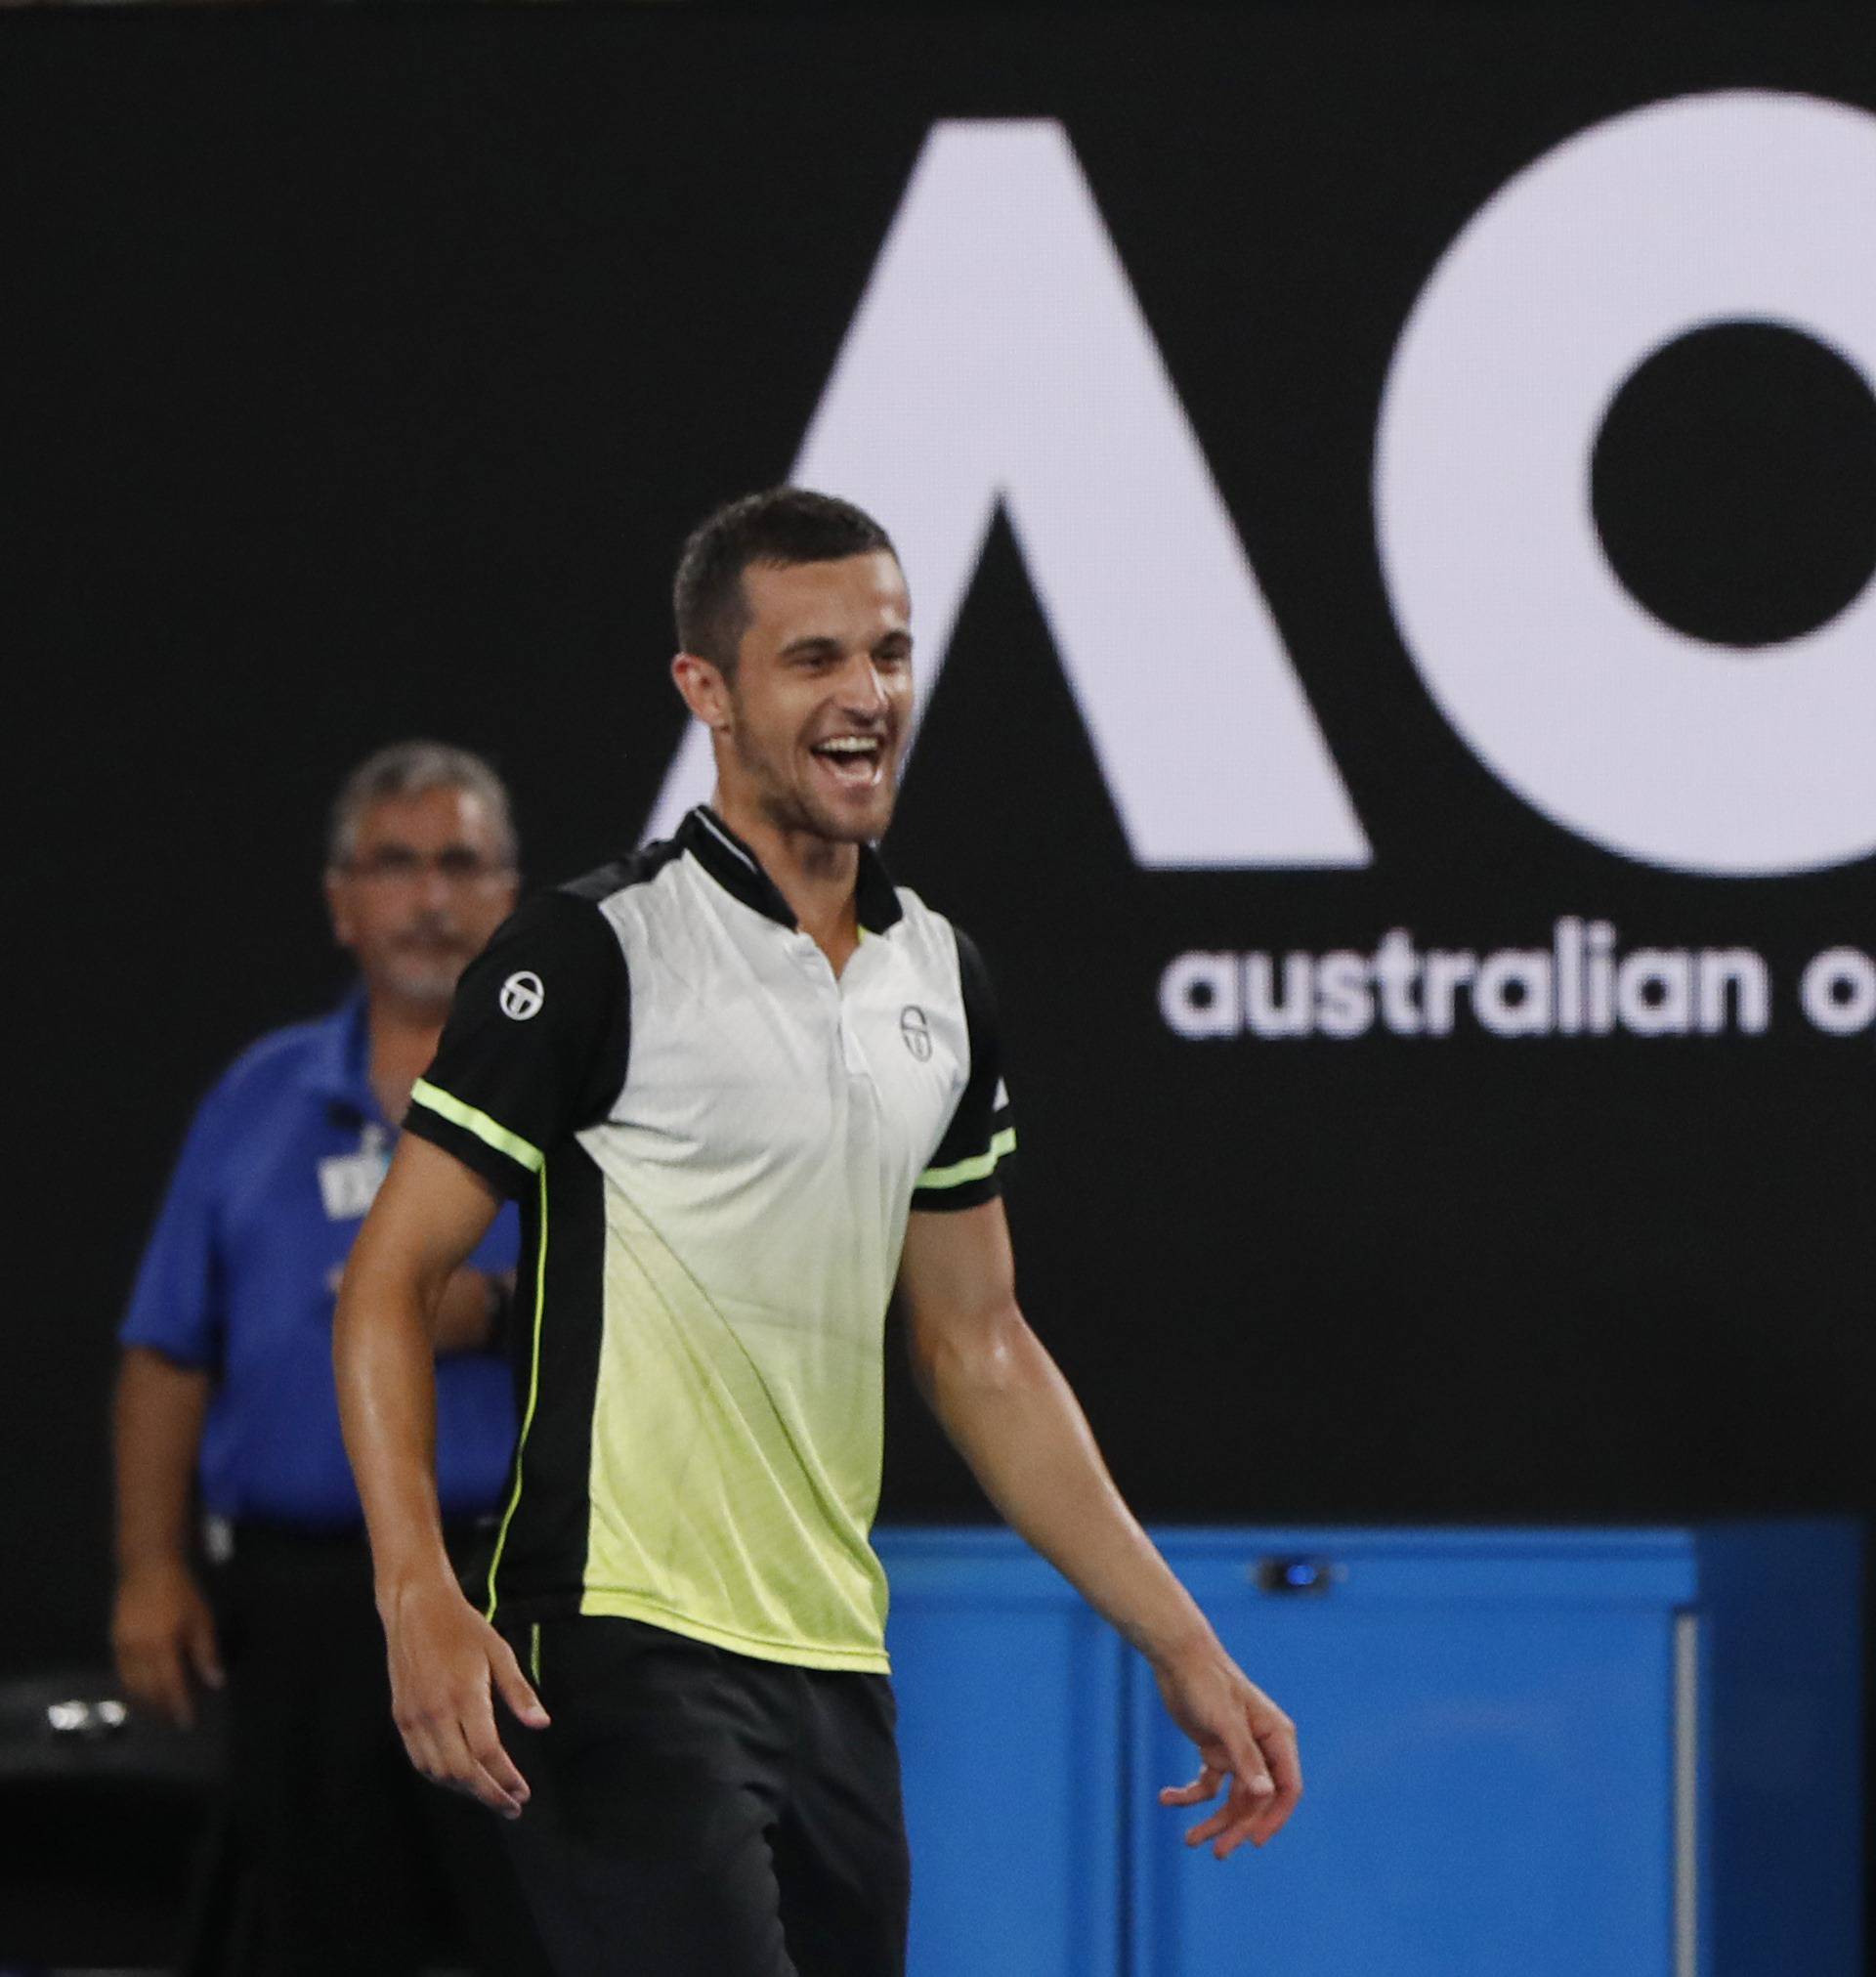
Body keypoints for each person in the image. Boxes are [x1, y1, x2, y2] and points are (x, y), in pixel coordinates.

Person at [332, 491, 1303, 1977]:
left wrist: (1179, 1637)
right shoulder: (592, 953)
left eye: (892, 652)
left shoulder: (944, 975)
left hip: (837, 1661)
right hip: (614, 1638)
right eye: (815, 658)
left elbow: (978, 1342)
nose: (868, 695)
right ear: (706, 691)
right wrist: (417, 1587)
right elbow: (387, 1281)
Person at [111, 741, 550, 1976]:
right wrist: (151, 1564)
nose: (431, 897)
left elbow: (671, 1309)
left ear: (510, 891)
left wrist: (506, 1305)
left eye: (461, 863)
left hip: (512, 1595)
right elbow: (164, 1350)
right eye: (396, 864)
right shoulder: (257, 1099)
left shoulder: (576, 1093)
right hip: (302, 1610)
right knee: (311, 1941)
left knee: (540, 1934)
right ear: (340, 898)